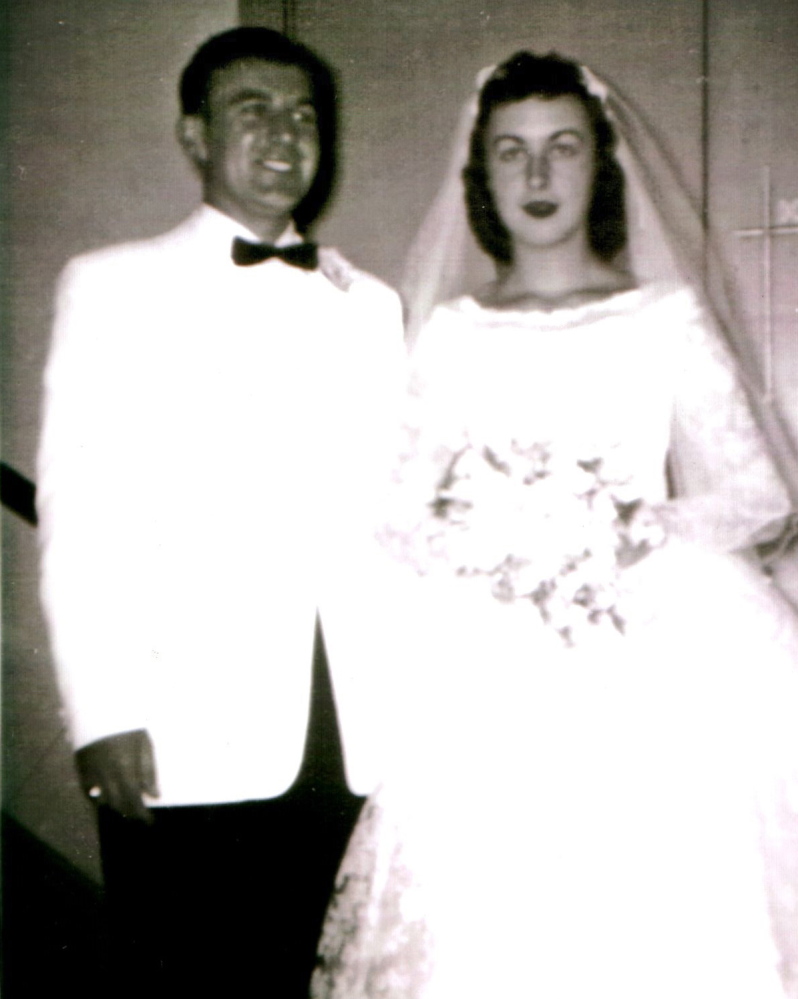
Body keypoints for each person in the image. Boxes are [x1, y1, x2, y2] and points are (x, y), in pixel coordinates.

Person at [309, 52, 798, 998]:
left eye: (561, 148)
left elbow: (757, 496)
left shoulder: (665, 317)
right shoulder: (453, 332)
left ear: (599, 165)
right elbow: (397, 521)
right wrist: (502, 546)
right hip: (502, 661)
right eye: (510, 152)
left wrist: (630, 525)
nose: (536, 176)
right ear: (479, 173)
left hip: (672, 647)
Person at [36, 26, 404, 999]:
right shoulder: (112, 285)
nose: (284, 135)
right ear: (194, 136)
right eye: (254, 112)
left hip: (354, 725)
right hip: (186, 728)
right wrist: (101, 712)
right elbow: (82, 516)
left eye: (303, 116)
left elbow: (395, 515)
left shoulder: (372, 305)